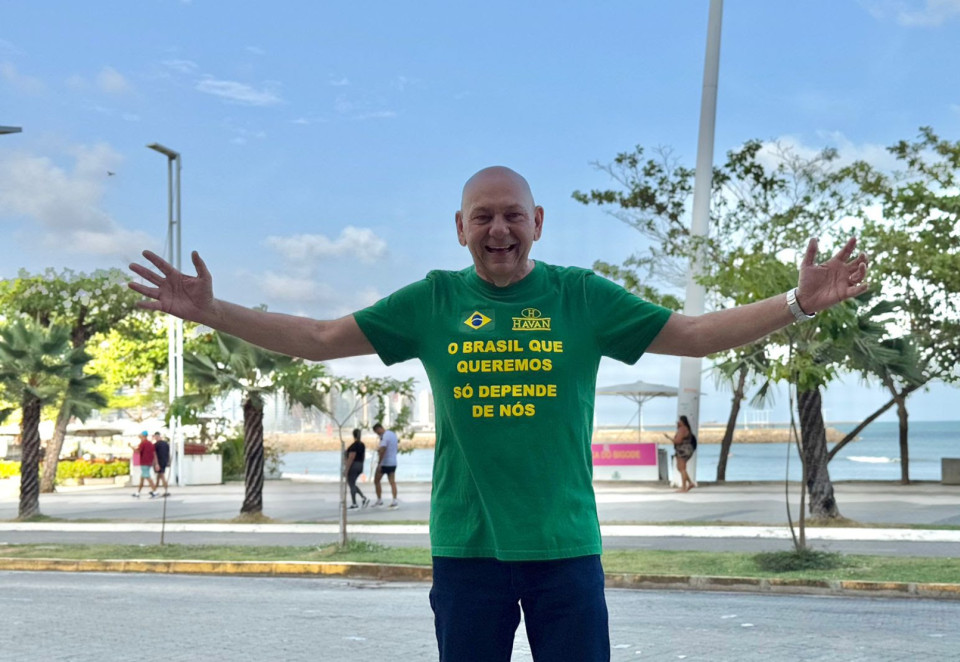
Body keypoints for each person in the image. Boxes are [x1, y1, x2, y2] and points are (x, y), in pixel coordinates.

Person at [128, 165, 868, 662]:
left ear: (538, 222)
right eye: (482, 217)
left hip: (564, 548)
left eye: (512, 215)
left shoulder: (581, 296)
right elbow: (321, 340)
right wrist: (211, 311)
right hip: (466, 549)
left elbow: (691, 335)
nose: (498, 229)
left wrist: (798, 301)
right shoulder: (432, 302)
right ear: (459, 228)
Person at [667, 415, 697, 492]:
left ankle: (684, 488)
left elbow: (678, 441)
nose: (677, 422)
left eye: (679, 421)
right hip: (685, 450)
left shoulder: (682, 429)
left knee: (682, 468)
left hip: (683, 450)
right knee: (680, 468)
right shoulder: (686, 429)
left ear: (682, 422)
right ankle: (690, 483)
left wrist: (670, 438)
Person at [372, 423, 399, 508]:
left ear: (379, 428)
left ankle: (379, 500)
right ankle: (394, 500)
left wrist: (380, 463)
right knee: (392, 482)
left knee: (376, 480)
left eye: (377, 432)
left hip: (385, 463)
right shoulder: (392, 434)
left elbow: (383, 449)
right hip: (393, 462)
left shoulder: (384, 436)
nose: (377, 434)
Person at [345, 428, 369, 509]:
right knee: (353, 484)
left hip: (353, 465)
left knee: (351, 484)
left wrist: (346, 469)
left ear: (353, 435)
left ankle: (354, 503)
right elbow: (363, 456)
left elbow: (351, 457)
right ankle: (363, 498)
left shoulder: (353, 446)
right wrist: (361, 465)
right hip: (360, 465)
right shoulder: (362, 445)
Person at [130, 431, 156, 498]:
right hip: (149, 462)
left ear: (143, 436)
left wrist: (131, 447)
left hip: (144, 462)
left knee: (147, 477)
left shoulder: (143, 443)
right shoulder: (150, 443)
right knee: (142, 478)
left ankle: (155, 491)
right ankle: (138, 492)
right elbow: (153, 453)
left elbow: (137, 451)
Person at [151, 431, 170, 497]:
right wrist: (168, 461)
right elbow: (168, 453)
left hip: (159, 462)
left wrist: (156, 464)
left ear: (156, 436)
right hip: (164, 461)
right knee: (159, 477)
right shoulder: (166, 444)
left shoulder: (155, 445)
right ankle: (155, 490)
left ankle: (166, 490)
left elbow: (155, 454)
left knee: (162, 476)